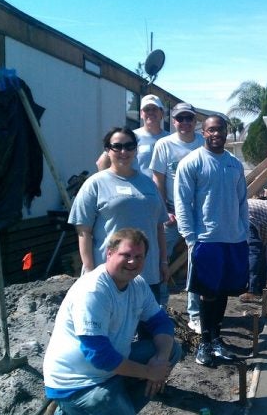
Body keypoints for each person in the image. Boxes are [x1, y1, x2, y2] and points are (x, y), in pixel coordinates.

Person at [43, 228, 182, 415]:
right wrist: (148, 372)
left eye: (138, 257)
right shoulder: (93, 291)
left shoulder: (138, 284)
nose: (133, 262)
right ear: (109, 253)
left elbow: (161, 323)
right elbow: (99, 356)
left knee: (171, 350)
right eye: (126, 255)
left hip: (110, 371)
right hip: (78, 383)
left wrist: (160, 360)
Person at [175, 114, 250, 367]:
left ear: (226, 133)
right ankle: (204, 343)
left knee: (224, 291)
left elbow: (242, 201)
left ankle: (217, 339)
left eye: (221, 130)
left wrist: (243, 230)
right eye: (211, 130)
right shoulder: (192, 163)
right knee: (207, 293)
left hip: (233, 239)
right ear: (203, 133)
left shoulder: (234, 164)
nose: (216, 134)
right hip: (206, 240)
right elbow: (182, 202)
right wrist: (190, 237)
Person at [69, 127, 168, 304]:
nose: (124, 151)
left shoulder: (148, 184)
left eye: (129, 146)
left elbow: (159, 226)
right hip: (111, 276)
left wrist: (163, 262)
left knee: (149, 327)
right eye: (117, 146)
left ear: (135, 149)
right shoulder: (95, 184)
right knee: (114, 329)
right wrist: (90, 271)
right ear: (108, 150)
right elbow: (84, 231)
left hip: (148, 274)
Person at [149, 102, 205, 329]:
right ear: (173, 122)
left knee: (197, 262)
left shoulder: (203, 144)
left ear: (195, 122)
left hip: (198, 214)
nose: (184, 123)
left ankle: (195, 314)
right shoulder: (164, 145)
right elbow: (158, 181)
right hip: (171, 213)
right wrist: (165, 211)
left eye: (188, 119)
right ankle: (158, 308)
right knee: (160, 258)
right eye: (180, 119)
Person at [97, 94, 169, 178]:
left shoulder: (170, 139)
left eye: (154, 109)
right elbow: (102, 162)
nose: (150, 112)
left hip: (163, 190)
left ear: (162, 113)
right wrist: (110, 183)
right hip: (138, 189)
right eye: (147, 109)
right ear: (141, 114)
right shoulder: (130, 137)